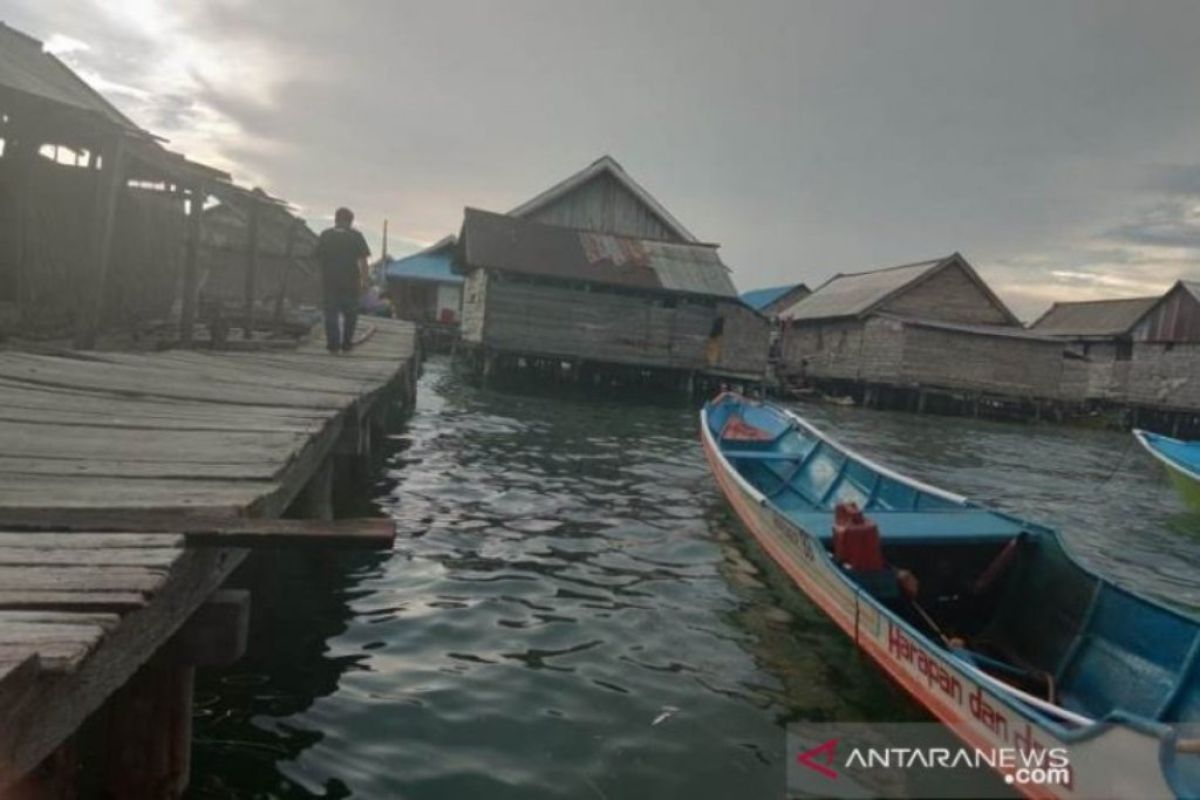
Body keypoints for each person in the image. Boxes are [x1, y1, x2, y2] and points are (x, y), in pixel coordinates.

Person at [314, 207, 370, 352]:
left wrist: (320, 277)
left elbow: (318, 259)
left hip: (330, 281)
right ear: (351, 221)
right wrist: (365, 281)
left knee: (331, 314)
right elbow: (363, 261)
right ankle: (346, 343)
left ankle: (333, 344)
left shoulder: (325, 235)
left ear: (335, 219)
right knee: (350, 315)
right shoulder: (356, 236)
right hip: (351, 282)